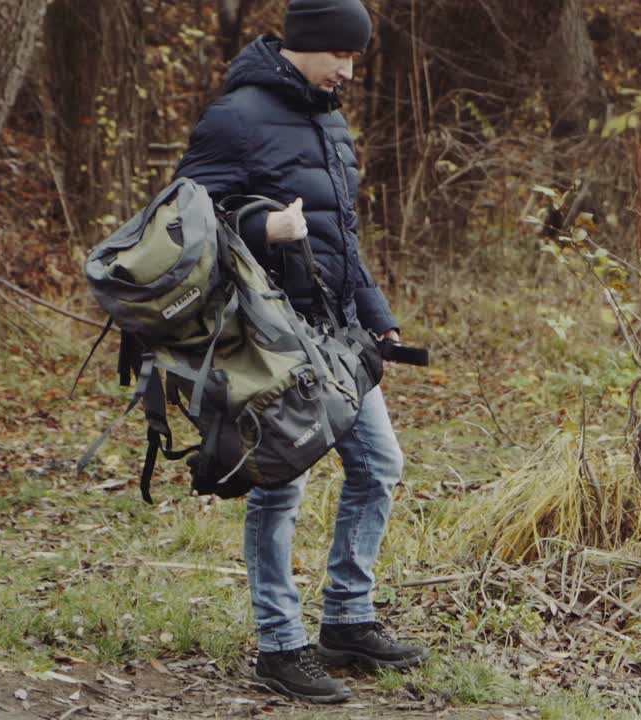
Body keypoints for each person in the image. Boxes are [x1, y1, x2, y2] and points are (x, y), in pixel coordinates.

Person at [173, 0, 429, 705]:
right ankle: (281, 644)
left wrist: (379, 322)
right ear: (306, 45)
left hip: (340, 332)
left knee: (380, 466)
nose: (350, 70)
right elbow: (185, 218)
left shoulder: (330, 118)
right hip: (275, 338)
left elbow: (342, 238)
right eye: (341, 56)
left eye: (356, 58)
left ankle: (347, 619)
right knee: (280, 487)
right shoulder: (237, 116)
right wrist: (261, 225)